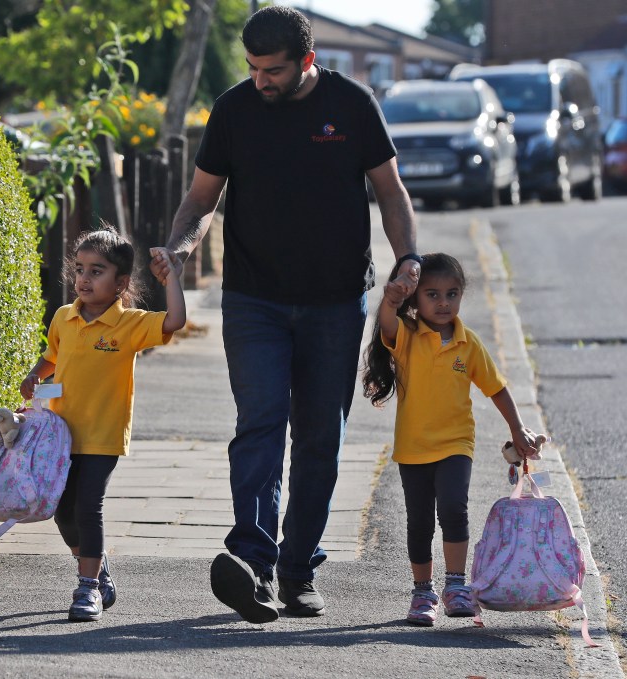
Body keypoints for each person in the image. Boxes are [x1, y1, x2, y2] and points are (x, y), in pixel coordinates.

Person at [150, 5, 420, 624]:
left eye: (272, 70)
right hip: (254, 300)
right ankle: (252, 561)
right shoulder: (234, 110)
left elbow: (390, 190)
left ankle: (299, 569)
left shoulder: (353, 106)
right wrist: (180, 250)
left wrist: (408, 257)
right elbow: (199, 199)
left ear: (307, 60)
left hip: (334, 301)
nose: (260, 80)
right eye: (252, 68)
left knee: (320, 438)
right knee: (261, 425)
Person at [361, 252, 544, 626]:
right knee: (419, 521)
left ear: (461, 296)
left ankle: (456, 586)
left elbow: (496, 388)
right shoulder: (408, 336)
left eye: (452, 293)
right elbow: (386, 323)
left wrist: (517, 427)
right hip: (413, 448)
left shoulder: (468, 343)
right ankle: (422, 591)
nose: (443, 303)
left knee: (454, 511)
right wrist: (392, 299)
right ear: (416, 297)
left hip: (456, 444)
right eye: (433, 294)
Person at [20, 228, 186, 622]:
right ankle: (97, 566)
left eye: (97, 271)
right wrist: (33, 374)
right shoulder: (64, 316)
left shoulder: (129, 324)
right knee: (62, 511)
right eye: (80, 269)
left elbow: (176, 321)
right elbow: (53, 356)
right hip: (59, 435)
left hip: (103, 436)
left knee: (88, 507)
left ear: (121, 283)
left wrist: (173, 278)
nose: (84, 278)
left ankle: (87, 588)